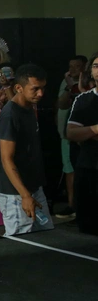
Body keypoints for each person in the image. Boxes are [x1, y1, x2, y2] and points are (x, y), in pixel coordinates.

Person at [0, 64, 53, 235]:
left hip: (34, 188)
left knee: (47, 238)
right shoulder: (10, 115)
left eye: (43, 88)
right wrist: (25, 196)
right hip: (16, 194)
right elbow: (7, 158)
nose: (40, 94)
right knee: (22, 246)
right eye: (35, 89)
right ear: (19, 88)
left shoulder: (28, 108)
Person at [65, 53, 98, 235]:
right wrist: (95, 130)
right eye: (95, 66)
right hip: (88, 167)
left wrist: (86, 133)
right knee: (88, 227)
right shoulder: (83, 100)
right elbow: (71, 133)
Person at [56, 54, 87, 216]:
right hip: (66, 134)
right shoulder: (66, 83)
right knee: (69, 169)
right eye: (70, 66)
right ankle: (72, 204)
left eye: (77, 66)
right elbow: (61, 105)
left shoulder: (88, 84)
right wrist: (69, 86)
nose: (72, 69)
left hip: (84, 136)